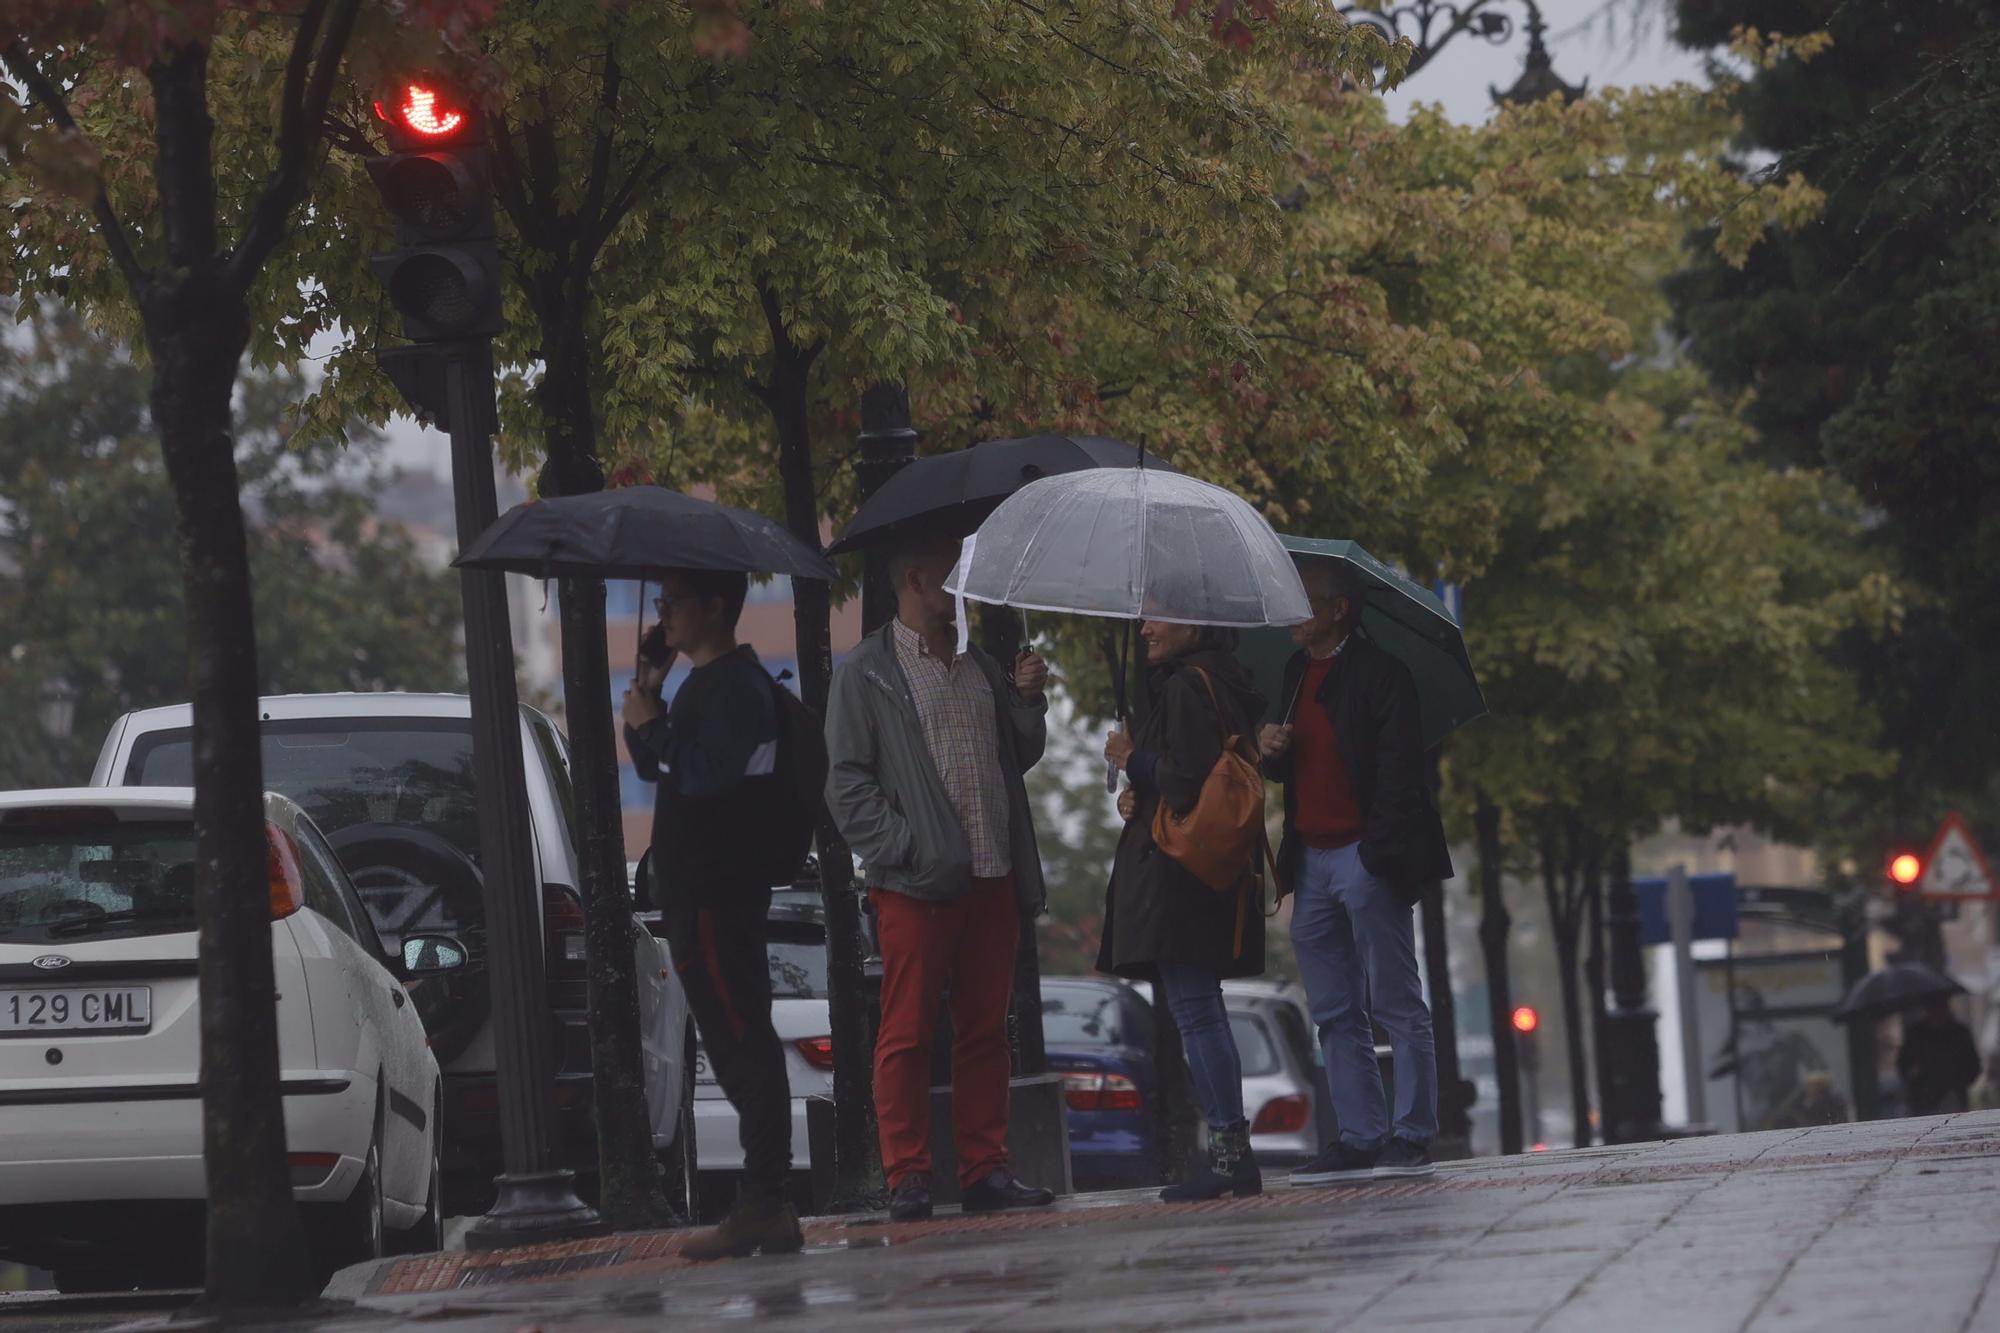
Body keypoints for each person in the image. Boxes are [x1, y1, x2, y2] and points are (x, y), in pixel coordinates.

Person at [823, 533, 1056, 1222]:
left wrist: (1027, 701)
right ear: (915, 577)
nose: (960, 594)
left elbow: (1019, 753)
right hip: (919, 885)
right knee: (908, 1029)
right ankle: (909, 1175)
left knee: (987, 1029)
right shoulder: (867, 671)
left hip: (993, 874)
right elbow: (846, 784)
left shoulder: (980, 664)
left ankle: (986, 1169)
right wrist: (907, 848)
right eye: (950, 581)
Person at [623, 567, 801, 1260]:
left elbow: (705, 775)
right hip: (701, 892)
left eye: (674, 603)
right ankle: (766, 1202)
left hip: (718, 894)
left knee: (741, 1040)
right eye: (659, 601)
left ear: (716, 606)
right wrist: (648, 691)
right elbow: (657, 767)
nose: (663, 613)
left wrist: (658, 726)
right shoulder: (709, 684)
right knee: (737, 1037)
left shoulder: (735, 688)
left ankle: (765, 1201)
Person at [1260, 558, 1452, 1184]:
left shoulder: (1381, 676)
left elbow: (1401, 776)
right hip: (1311, 860)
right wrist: (1272, 754)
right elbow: (1299, 770)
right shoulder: (1294, 673)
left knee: (1395, 1000)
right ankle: (1360, 1134)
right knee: (1335, 1010)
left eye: (1305, 600)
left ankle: (1414, 1132)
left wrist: (1375, 854)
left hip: (1364, 856)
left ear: (1339, 609)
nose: (1294, 611)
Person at [1102, 620, 1269, 1202]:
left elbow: (1186, 780)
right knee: (1198, 1009)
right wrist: (1137, 793)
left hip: (1181, 876)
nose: (1145, 626)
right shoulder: (1215, 679)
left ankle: (1229, 1152)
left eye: (1158, 614)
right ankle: (1229, 1151)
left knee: (1198, 1012)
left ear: (1194, 622)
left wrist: (1132, 760)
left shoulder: (1184, 686)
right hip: (1203, 874)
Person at [1898, 997, 1981, 1116]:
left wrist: (1957, 1082)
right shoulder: (1916, 1034)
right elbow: (1904, 1064)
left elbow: (1973, 1066)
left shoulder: (1958, 1033)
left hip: (1952, 1098)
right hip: (1922, 1099)